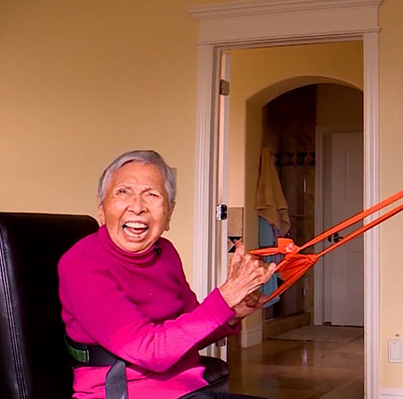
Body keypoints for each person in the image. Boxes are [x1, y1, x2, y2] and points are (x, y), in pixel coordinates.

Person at [58, 150, 275, 399]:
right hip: (123, 393)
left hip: (187, 390)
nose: (137, 207)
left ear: (169, 213)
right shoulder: (82, 263)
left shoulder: (166, 252)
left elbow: (191, 333)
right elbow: (149, 351)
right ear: (101, 207)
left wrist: (233, 313)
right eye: (123, 192)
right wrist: (224, 298)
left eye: (152, 195)